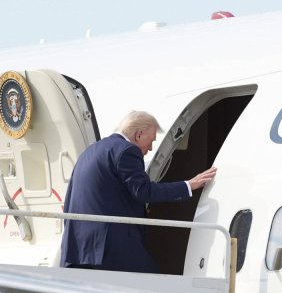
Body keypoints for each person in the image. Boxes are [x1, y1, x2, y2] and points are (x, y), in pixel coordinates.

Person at [60, 110, 217, 273]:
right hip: (109, 246)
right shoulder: (127, 150)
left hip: (78, 247)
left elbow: (70, 197)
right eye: (151, 140)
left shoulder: (89, 152)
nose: (151, 148)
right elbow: (144, 191)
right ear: (139, 135)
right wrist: (188, 185)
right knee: (153, 283)